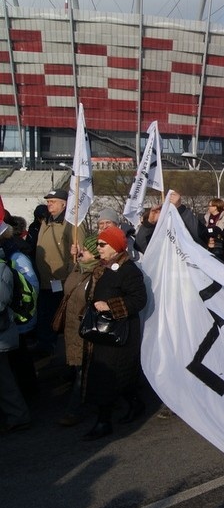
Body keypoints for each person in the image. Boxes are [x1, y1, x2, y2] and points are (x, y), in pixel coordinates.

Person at [80, 226, 148, 440]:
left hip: (120, 333)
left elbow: (139, 300)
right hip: (102, 331)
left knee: (110, 376)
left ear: (116, 247)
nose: (98, 248)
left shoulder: (129, 271)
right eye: (98, 244)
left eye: (103, 244)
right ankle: (135, 403)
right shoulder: (103, 268)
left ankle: (103, 422)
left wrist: (111, 305)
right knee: (110, 376)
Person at [57, 234, 100, 427]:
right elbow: (67, 287)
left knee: (83, 371)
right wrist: (73, 262)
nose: (82, 251)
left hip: (86, 329)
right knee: (80, 370)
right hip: (72, 328)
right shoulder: (79, 268)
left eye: (87, 250)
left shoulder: (99, 275)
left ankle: (74, 410)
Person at [34, 188, 82, 357]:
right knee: (45, 314)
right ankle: (45, 345)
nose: (49, 204)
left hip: (60, 281)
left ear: (64, 204)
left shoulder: (72, 224)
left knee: (58, 317)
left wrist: (67, 278)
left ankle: (58, 352)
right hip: (44, 280)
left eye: (52, 202)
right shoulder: (46, 222)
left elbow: (76, 255)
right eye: (48, 202)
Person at [0, 249, 30, 433]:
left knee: (4, 379)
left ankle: (18, 416)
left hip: (1, 333)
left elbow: (1, 301)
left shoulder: (2, 268)